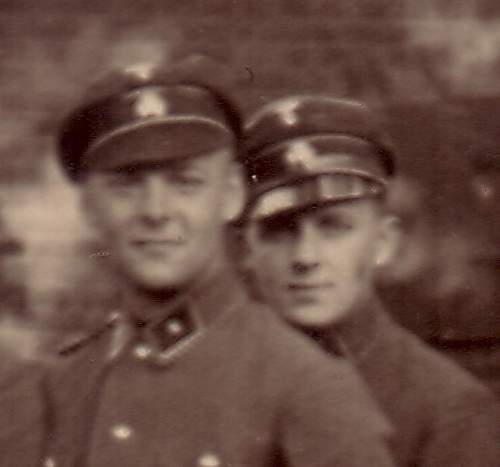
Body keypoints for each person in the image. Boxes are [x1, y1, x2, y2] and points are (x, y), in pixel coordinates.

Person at [39, 58, 395, 467]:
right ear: (88, 208)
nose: (156, 211)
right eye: (126, 185)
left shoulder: (307, 386)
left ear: (231, 195)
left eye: (186, 183)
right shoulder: (63, 383)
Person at [238, 95, 500, 467]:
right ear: (247, 246)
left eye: (334, 228)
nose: (305, 257)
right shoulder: (210, 382)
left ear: (382, 244)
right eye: (280, 230)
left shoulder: (448, 412)